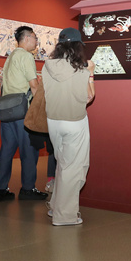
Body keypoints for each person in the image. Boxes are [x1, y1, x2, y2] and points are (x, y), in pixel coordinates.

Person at [42, 28, 95, 226]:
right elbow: (89, 96)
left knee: (63, 165)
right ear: (78, 46)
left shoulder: (48, 65)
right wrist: (91, 73)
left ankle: (56, 206)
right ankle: (64, 216)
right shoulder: (81, 68)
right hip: (75, 121)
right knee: (74, 169)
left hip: (54, 121)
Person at [0, 26, 48, 202]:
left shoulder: (10, 57)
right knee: (29, 151)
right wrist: (41, 108)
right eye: (35, 38)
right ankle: (28, 189)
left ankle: (0, 189)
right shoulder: (26, 56)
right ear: (27, 38)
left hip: (7, 112)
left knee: (6, 151)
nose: (36, 42)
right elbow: (34, 85)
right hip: (23, 111)